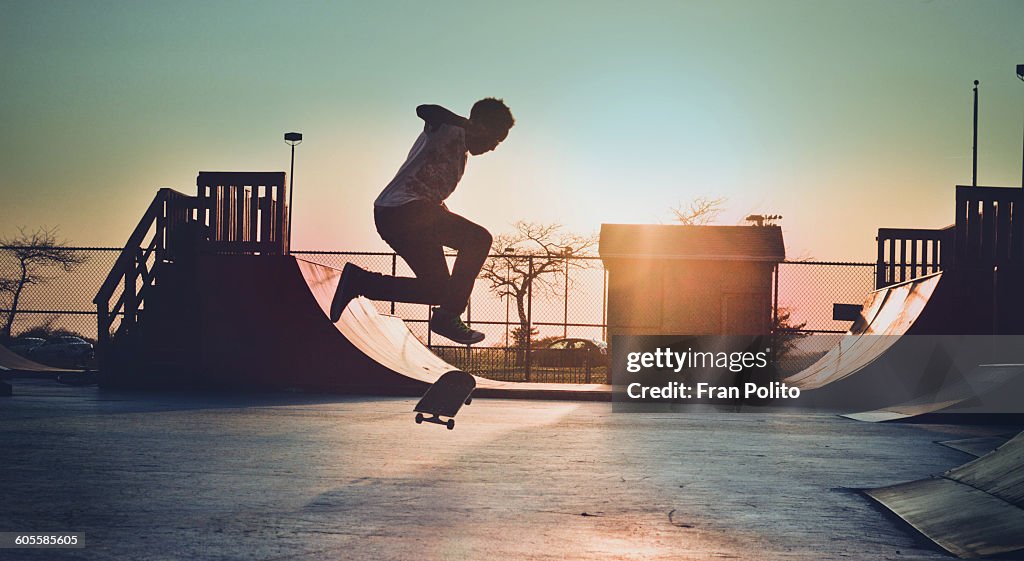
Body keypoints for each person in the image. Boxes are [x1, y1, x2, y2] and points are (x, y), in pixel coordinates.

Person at [330, 98, 515, 345]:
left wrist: (445, 218)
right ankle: (449, 316)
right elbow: (426, 110)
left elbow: (432, 193)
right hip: (400, 210)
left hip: (407, 219)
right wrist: (466, 124)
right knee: (479, 239)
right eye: (494, 139)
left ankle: (362, 282)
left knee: (437, 289)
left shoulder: (462, 157)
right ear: (480, 127)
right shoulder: (447, 129)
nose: (493, 148)